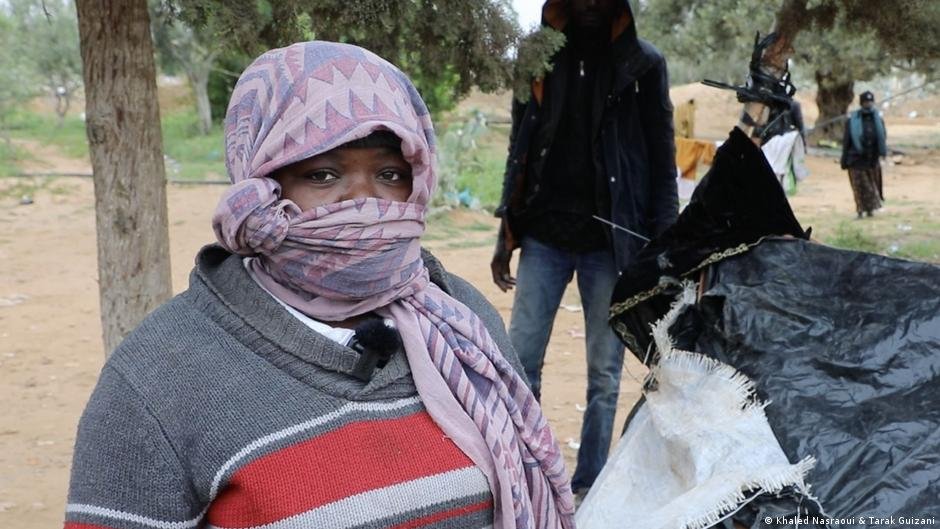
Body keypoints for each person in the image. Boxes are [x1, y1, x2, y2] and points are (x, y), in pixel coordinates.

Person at [63, 41, 575, 529]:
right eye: (324, 175)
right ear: (260, 182)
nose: (363, 203)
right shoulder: (157, 379)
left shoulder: (463, 321)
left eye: (391, 174)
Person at [490, 0, 678, 498]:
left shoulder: (644, 65)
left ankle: (587, 485)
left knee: (604, 373)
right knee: (519, 360)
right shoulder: (538, 57)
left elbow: (663, 158)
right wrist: (504, 234)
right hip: (544, 236)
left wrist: (666, 248)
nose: (591, 5)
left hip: (609, 243)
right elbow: (520, 146)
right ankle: (526, 471)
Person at [840, 90, 886, 218]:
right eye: (865, 102)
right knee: (859, 187)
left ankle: (870, 209)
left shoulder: (878, 119)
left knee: (871, 187)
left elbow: (882, 137)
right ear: (861, 103)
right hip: (855, 159)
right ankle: (860, 211)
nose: (868, 104)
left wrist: (881, 153)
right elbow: (846, 141)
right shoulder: (853, 120)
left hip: (872, 159)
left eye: (870, 102)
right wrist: (844, 160)